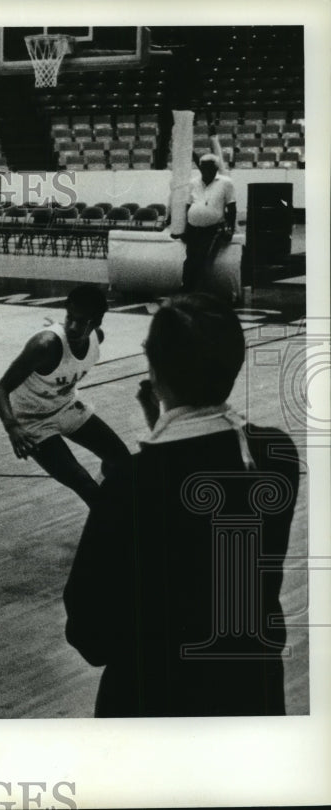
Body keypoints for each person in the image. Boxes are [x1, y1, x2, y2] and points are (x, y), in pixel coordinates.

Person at [63, 293, 300, 716]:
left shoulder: (130, 483)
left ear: (153, 371)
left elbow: (90, 630)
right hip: (251, 693)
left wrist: (163, 433)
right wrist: (170, 426)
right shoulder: (276, 454)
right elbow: (206, 479)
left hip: (151, 700)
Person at [0, 285, 130, 508]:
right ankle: (108, 529)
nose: (73, 327)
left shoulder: (97, 338)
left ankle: (106, 501)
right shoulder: (44, 346)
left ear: (96, 323)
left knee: (123, 462)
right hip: (33, 421)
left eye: (81, 321)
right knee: (84, 484)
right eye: (70, 318)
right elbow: (0, 390)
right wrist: (12, 427)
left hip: (66, 407)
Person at [181, 153, 236, 292]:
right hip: (193, 228)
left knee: (203, 259)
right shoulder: (193, 183)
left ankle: (200, 292)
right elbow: (187, 206)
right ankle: (187, 289)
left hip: (213, 228)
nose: (205, 171)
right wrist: (184, 227)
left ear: (216, 168)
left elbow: (232, 207)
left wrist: (230, 229)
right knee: (189, 260)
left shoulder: (226, 183)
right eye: (203, 167)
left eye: (209, 168)